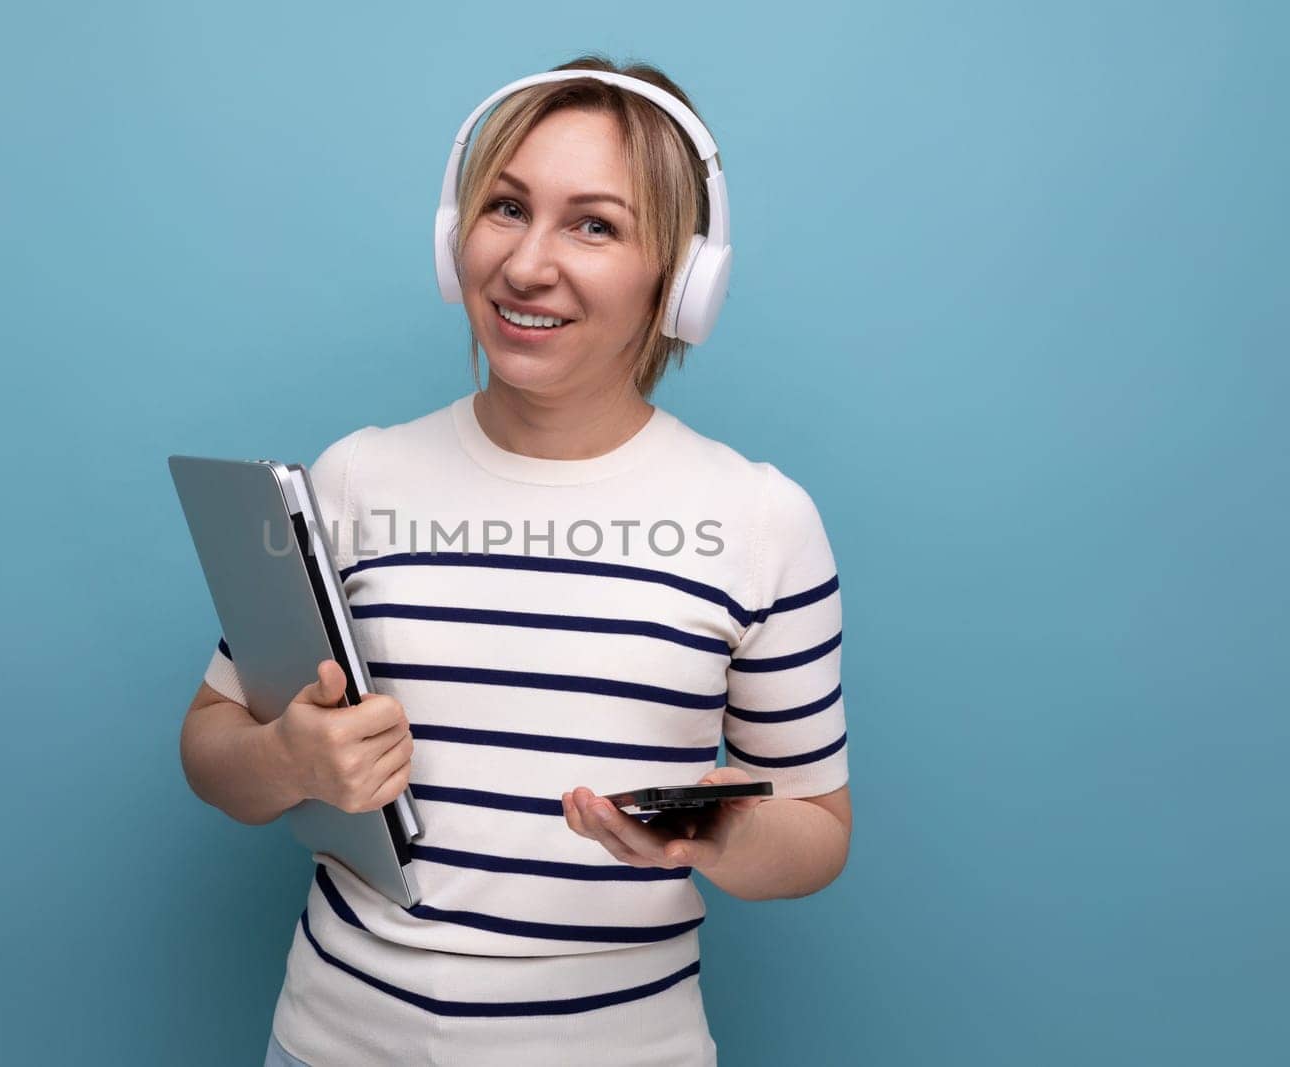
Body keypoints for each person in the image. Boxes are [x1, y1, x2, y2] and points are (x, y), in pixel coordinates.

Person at [180, 54, 852, 1067]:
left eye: (594, 223)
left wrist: (721, 837)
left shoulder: (760, 518)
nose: (527, 264)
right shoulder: (357, 476)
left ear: (682, 278)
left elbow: (817, 829)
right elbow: (211, 744)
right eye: (504, 207)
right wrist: (286, 760)